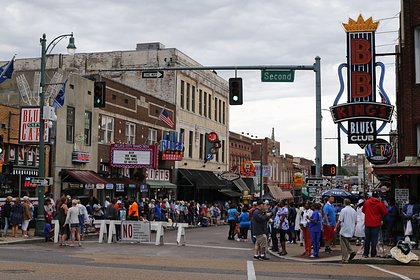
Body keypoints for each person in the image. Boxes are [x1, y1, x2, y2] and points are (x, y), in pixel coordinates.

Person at [362, 191, 387, 258]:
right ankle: (373, 254)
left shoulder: (367, 202)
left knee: (367, 239)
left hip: (367, 223)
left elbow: (363, 210)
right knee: (374, 239)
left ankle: (365, 253)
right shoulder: (379, 203)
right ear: (377, 196)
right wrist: (380, 216)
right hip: (376, 223)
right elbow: (384, 212)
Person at [335, 198, 357, 263]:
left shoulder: (343, 210)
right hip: (351, 228)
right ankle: (351, 251)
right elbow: (355, 221)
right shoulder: (353, 210)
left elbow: (340, 220)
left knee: (343, 244)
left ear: (344, 203)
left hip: (344, 228)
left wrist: (336, 227)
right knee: (346, 241)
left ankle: (345, 258)